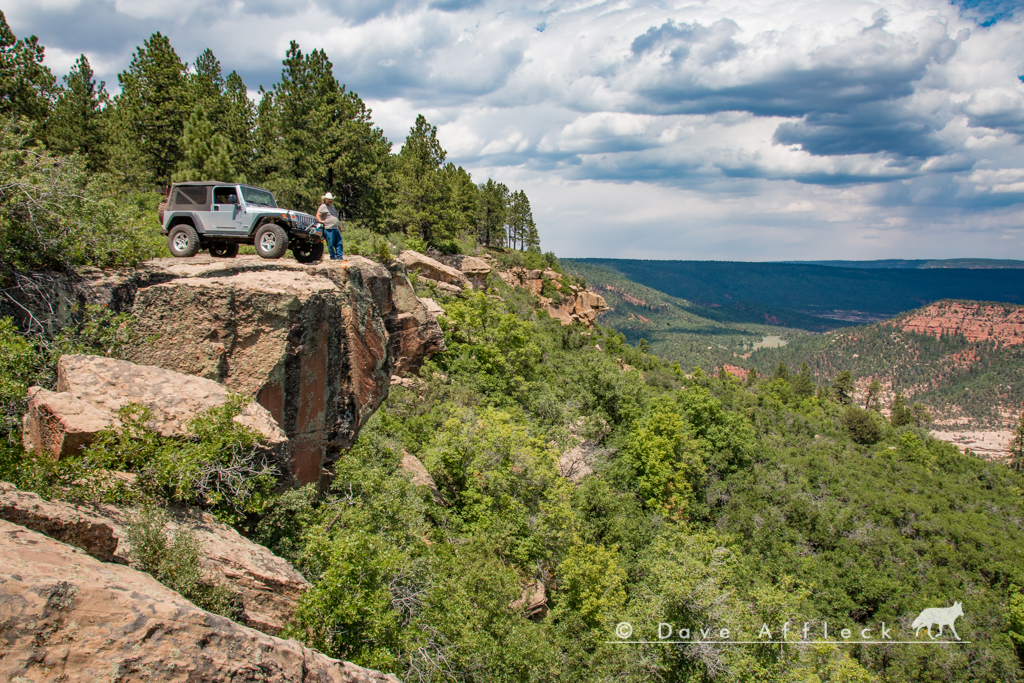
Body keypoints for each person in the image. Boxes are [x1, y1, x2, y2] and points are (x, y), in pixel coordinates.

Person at [317, 192, 346, 262]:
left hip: (335, 228)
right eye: (328, 199)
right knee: (331, 243)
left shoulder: (333, 207)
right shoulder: (323, 206)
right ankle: (333, 256)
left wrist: (339, 226)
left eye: (330, 199)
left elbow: (334, 217)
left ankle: (339, 256)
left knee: (339, 242)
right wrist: (321, 221)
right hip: (329, 228)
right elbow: (318, 214)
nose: (330, 201)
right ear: (325, 200)